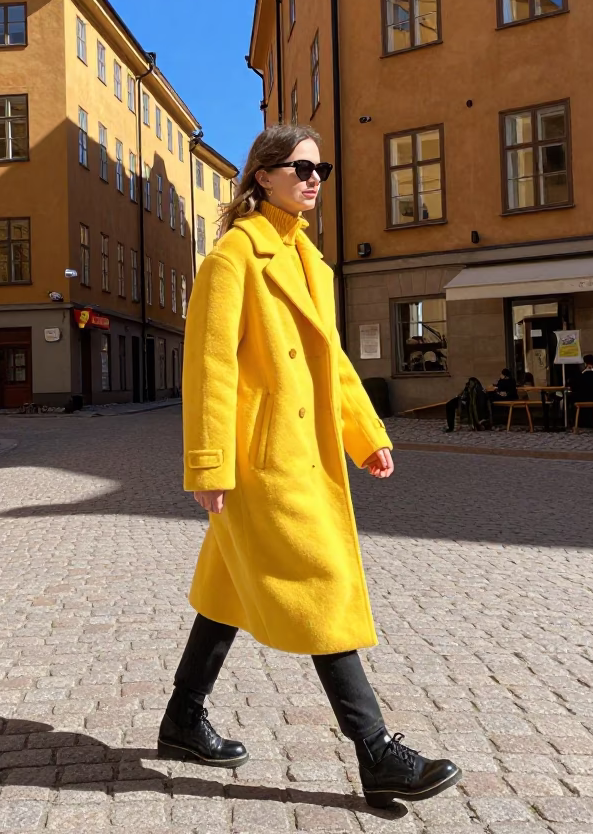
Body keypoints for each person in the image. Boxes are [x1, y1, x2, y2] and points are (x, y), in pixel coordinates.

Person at [161, 124, 461, 809]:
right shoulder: (234, 258)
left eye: (319, 167)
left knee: (227, 591)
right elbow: (206, 368)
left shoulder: (312, 263)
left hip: (305, 452)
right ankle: (377, 752)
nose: (314, 177)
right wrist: (208, 464)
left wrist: (364, 432)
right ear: (261, 175)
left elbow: (333, 362)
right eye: (299, 167)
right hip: (262, 461)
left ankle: (182, 718)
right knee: (321, 582)